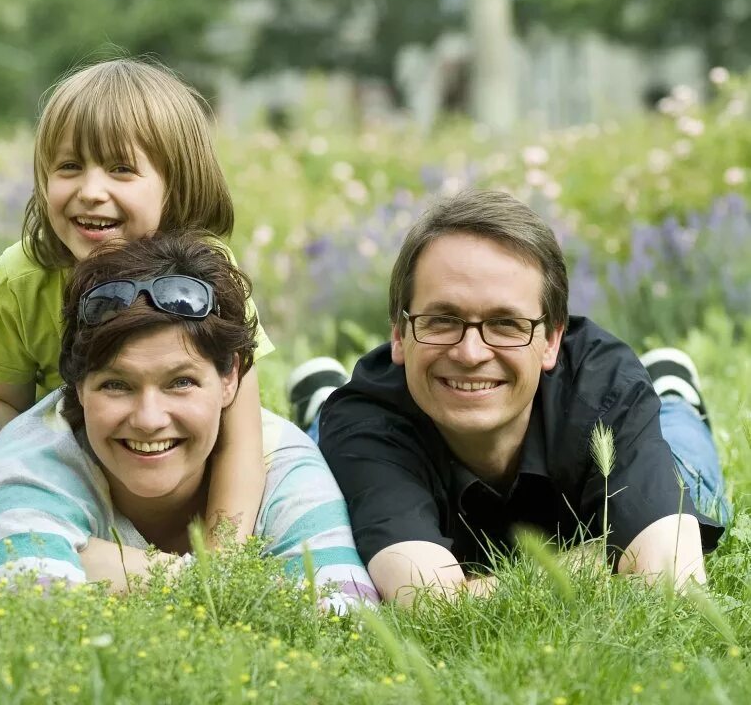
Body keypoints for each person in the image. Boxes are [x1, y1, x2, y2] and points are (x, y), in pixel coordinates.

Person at [305, 189, 726, 604]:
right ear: (398, 334)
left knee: (689, 473)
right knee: (323, 451)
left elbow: (671, 577)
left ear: (551, 340)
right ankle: (319, 402)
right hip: (365, 423)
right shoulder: (369, 418)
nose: (470, 354)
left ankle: (674, 391)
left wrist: (479, 587)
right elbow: (429, 602)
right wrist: (600, 558)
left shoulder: (601, 385)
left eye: (506, 323)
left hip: (614, 417)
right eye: (442, 320)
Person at [0, 57, 273, 549]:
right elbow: (13, 427)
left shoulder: (203, 277)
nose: (91, 192)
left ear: (173, 185)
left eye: (121, 169)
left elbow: (240, 438)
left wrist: (221, 563)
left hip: (164, 454)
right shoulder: (23, 276)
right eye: (69, 167)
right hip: (63, 456)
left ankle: (318, 402)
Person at [0, 231, 378, 609]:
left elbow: (346, 612)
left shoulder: (281, 462)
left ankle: (321, 403)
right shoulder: (27, 463)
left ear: (229, 377)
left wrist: (102, 565)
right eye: (116, 385)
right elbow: (35, 604)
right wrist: (238, 584)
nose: (149, 419)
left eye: (180, 382)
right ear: (76, 385)